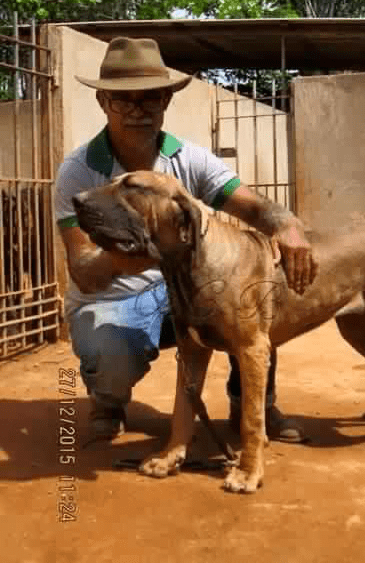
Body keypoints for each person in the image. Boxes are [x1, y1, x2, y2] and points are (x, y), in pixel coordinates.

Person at [55, 37, 316, 444]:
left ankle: (254, 403)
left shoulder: (189, 159)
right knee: (110, 352)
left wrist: (287, 224)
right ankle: (108, 400)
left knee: (251, 288)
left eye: (151, 99)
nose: (139, 111)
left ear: (166, 102)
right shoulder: (78, 171)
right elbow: (85, 273)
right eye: (125, 101)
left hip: (182, 289)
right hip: (114, 298)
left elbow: (255, 208)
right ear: (104, 101)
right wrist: (148, 251)